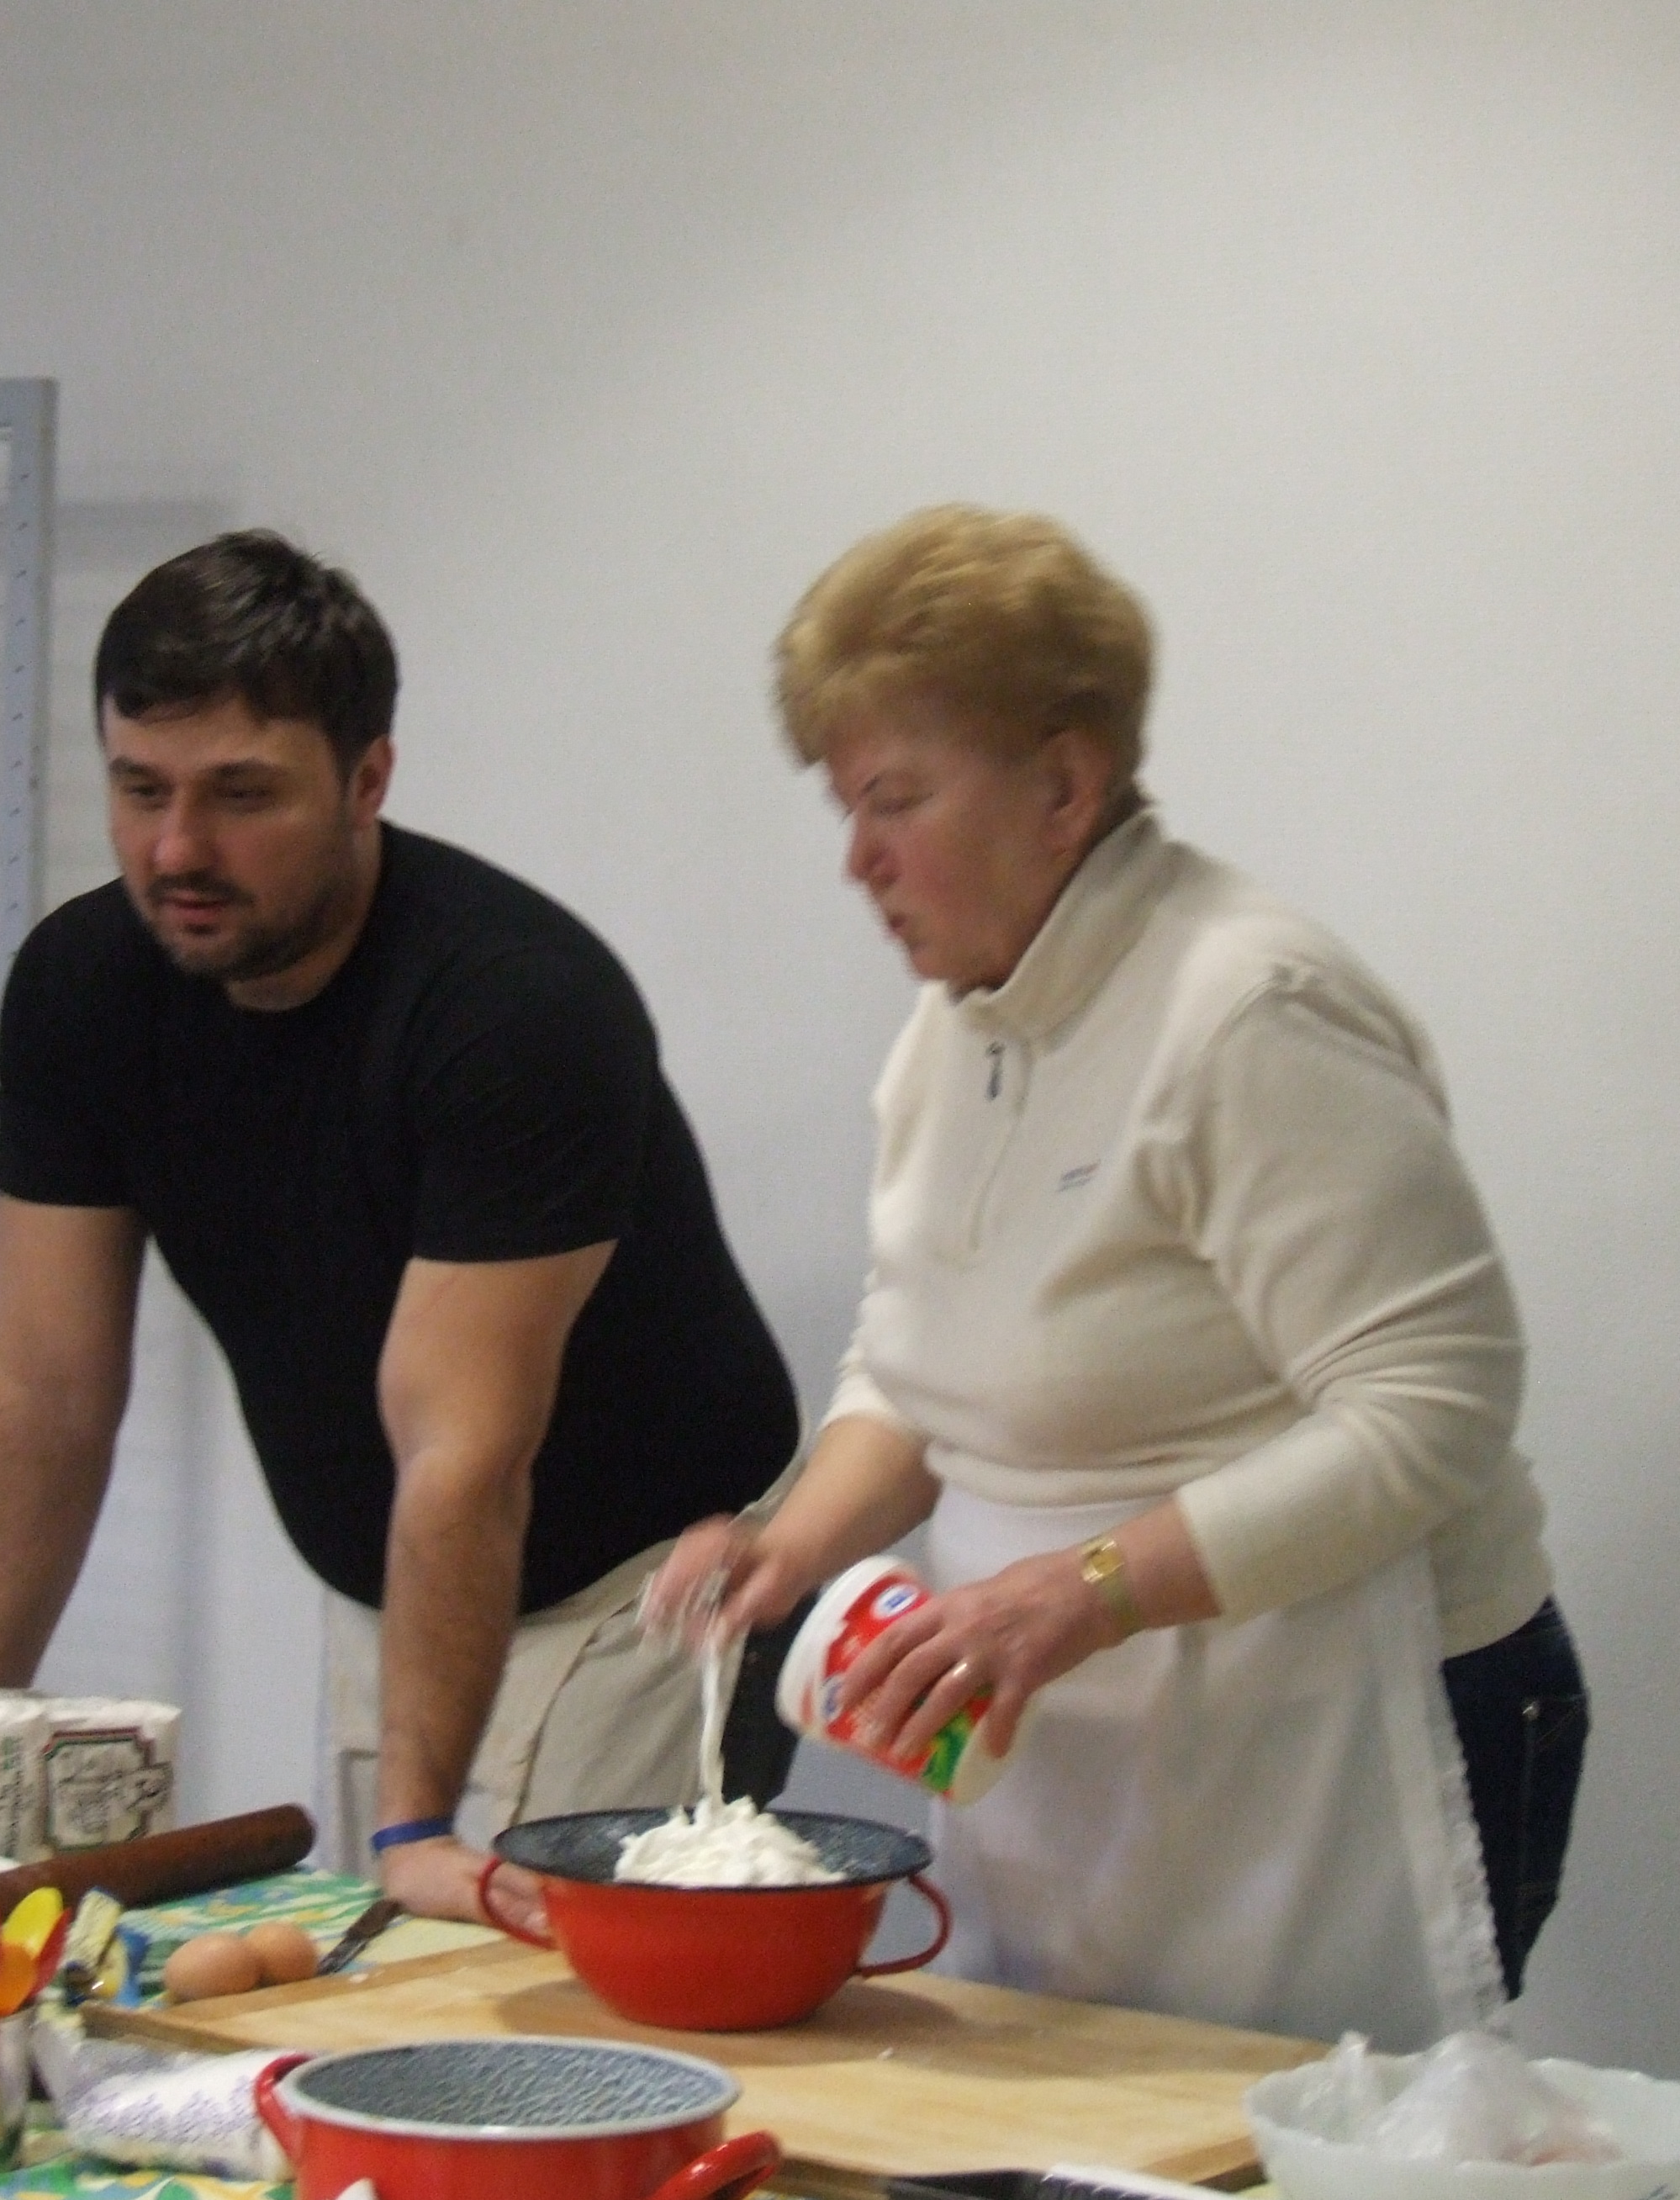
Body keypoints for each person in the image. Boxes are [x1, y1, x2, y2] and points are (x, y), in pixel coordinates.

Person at [652, 507, 1586, 2049]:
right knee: (1081, 2111)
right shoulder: (960, 1023)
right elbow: (919, 1360)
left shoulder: (1247, 1010)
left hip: (1347, 1721)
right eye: (845, 806)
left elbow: (1434, 1409)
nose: (859, 861)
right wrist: (788, 1544)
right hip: (1086, 1734)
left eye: (895, 800)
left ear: (1066, 786)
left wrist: (1082, 1596)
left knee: (1290, 2126)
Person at [0, 530, 801, 1930]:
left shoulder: (514, 1008)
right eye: (140, 788)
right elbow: (43, 1387)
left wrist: (411, 1828)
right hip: (404, 1568)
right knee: (392, 1977)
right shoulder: (83, 988)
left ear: (368, 781)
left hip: (645, 1588)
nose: (178, 850)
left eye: (242, 796)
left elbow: (468, 1449)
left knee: (561, 2005)